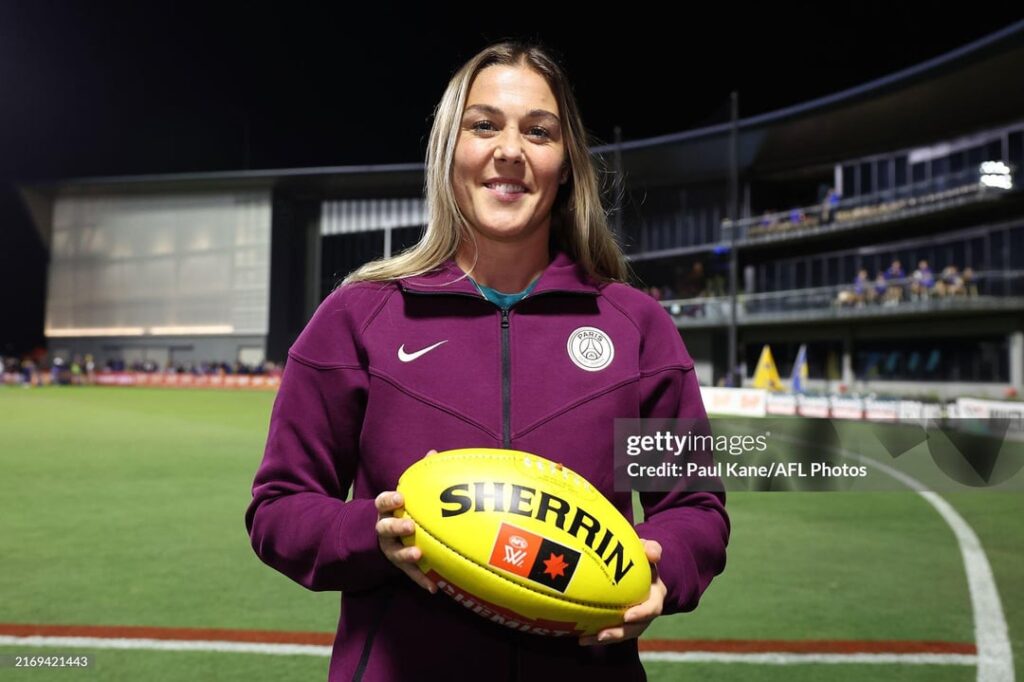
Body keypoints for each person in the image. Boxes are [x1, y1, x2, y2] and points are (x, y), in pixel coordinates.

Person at [244, 40, 729, 682]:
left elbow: (696, 505)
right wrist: (374, 534)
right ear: (450, 151)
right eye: (483, 125)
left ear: (566, 165)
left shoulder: (637, 326)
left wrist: (662, 568)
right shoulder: (357, 316)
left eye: (539, 131)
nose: (510, 151)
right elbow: (279, 506)